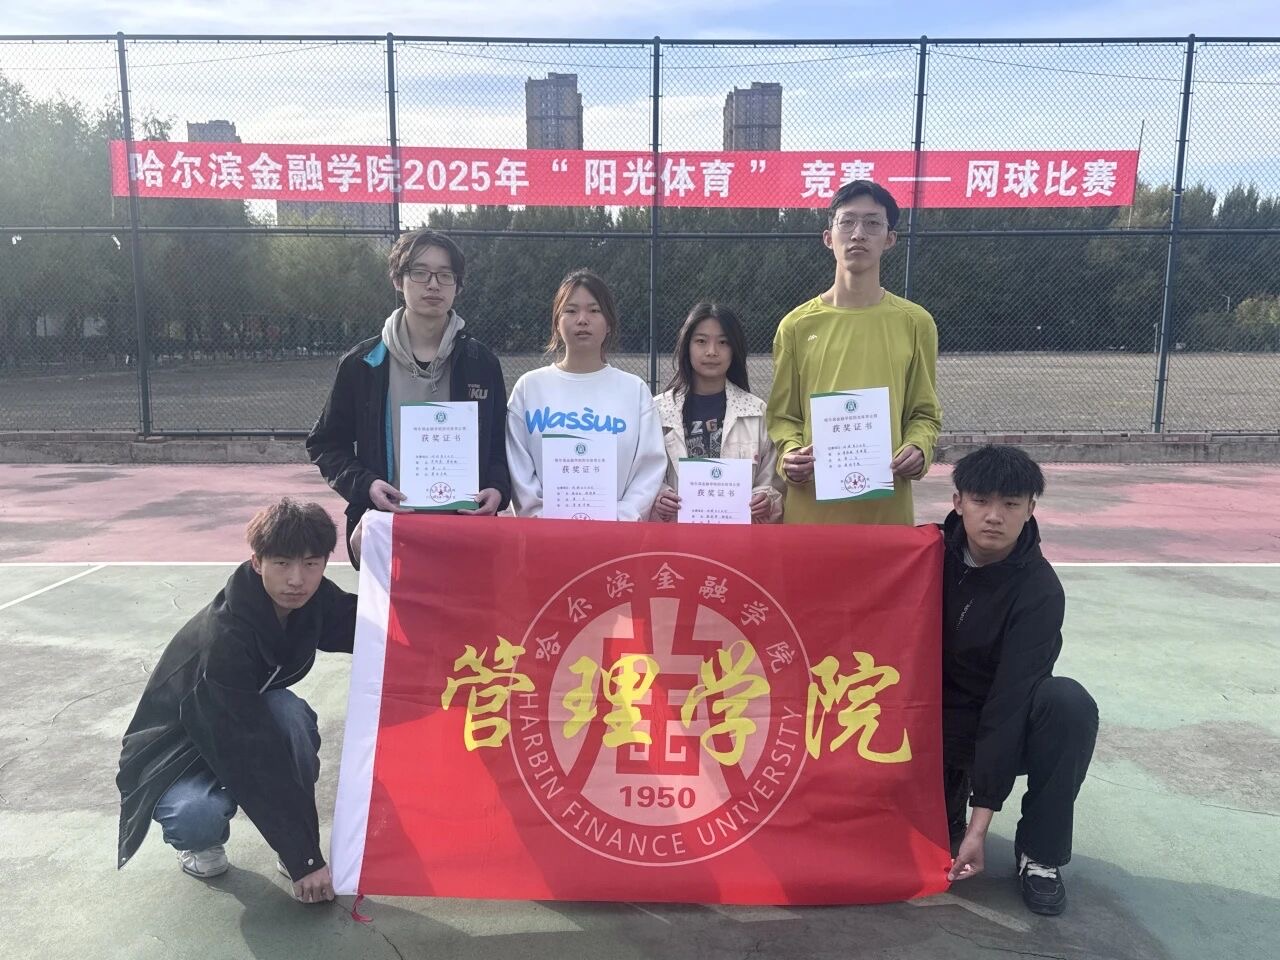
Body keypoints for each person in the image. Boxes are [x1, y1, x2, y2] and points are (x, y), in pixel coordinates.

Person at [115, 499, 357, 904]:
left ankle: (292, 841)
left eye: (311, 564)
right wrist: (305, 859)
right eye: (282, 563)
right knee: (195, 815)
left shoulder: (312, 600)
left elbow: (371, 624)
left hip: (236, 722)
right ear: (257, 562)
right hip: (178, 751)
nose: (297, 579)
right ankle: (201, 845)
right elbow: (248, 750)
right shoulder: (224, 638)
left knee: (289, 715)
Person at [941, 446, 1099, 916]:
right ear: (958, 502)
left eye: (1010, 504)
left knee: (1067, 705)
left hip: (1004, 722)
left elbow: (1010, 702)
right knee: (928, 840)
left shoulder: (1040, 590)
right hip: (931, 720)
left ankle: (1040, 854)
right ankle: (943, 798)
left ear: (1030, 508)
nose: (994, 516)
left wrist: (980, 825)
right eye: (981, 501)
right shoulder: (923, 554)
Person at [306, 228, 510, 564]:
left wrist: (498, 488)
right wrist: (366, 485)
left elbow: (500, 445)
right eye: (420, 272)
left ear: (458, 286)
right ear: (398, 281)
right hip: (387, 534)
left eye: (445, 275)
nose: (433, 284)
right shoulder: (362, 364)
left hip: (466, 535)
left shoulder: (481, 363)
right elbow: (326, 444)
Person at [766, 179, 942, 525]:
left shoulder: (915, 322)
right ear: (828, 236)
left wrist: (919, 447)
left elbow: (924, 413)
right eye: (847, 222)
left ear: (890, 239)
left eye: (873, 223)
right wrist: (790, 453)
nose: (858, 234)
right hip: (811, 513)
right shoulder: (796, 325)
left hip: (886, 513)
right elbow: (783, 417)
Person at [506, 268, 666, 520]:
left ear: (609, 323)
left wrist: (621, 518)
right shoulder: (529, 387)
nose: (582, 320)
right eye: (571, 311)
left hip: (617, 536)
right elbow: (519, 469)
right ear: (557, 323)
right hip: (544, 536)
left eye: (594, 310)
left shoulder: (634, 390)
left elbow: (649, 469)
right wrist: (541, 519)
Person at [649, 302, 783, 523]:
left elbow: (774, 484)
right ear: (687, 346)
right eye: (701, 341)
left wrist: (767, 499)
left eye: (723, 342)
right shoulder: (658, 411)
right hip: (673, 538)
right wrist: (659, 496)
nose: (712, 351)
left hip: (737, 540)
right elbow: (641, 477)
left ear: (734, 349)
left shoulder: (756, 412)